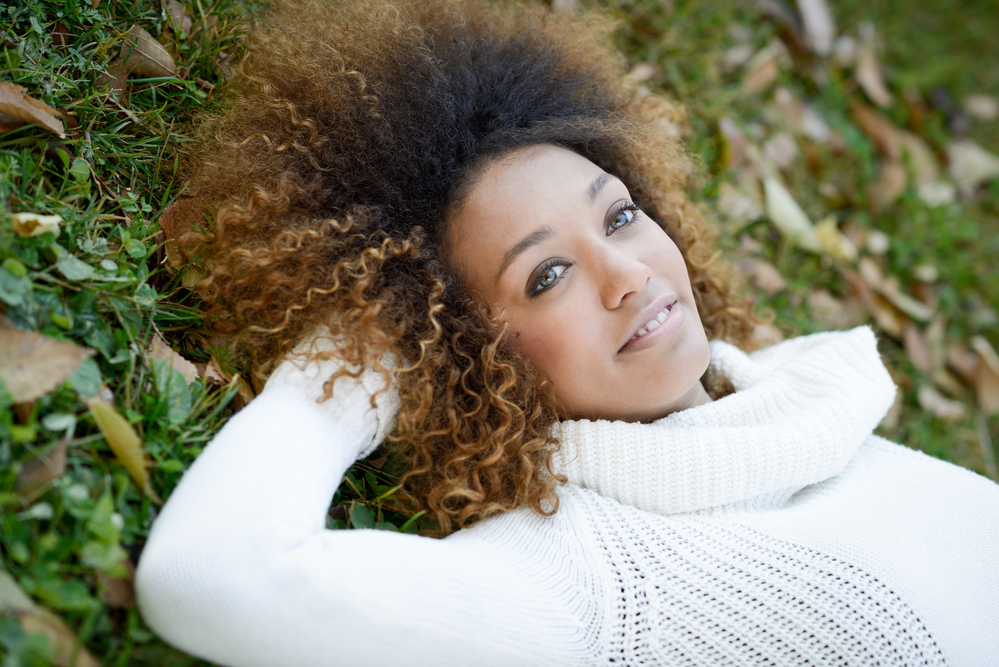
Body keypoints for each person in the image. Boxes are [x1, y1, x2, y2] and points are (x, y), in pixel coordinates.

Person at [135, 0, 999, 664]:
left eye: (619, 216)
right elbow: (211, 575)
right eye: (547, 276)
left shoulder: (800, 393)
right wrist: (356, 357)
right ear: (468, 355)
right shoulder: (588, 579)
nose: (628, 275)